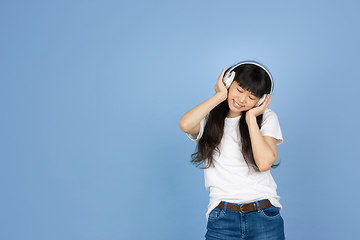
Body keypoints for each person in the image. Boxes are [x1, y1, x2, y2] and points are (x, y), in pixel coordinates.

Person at [179, 61, 285, 240]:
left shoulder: (266, 118)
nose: (242, 100)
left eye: (252, 97)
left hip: (263, 214)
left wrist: (251, 119)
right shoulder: (209, 121)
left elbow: (264, 163)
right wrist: (220, 95)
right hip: (222, 217)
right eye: (239, 90)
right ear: (228, 82)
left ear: (260, 100)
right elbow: (185, 124)